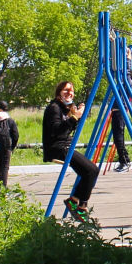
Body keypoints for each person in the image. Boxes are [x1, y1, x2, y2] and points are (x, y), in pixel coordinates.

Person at [42, 80, 99, 217]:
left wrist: (77, 117)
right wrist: (74, 117)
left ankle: (75, 201)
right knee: (92, 170)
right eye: (66, 90)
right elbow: (57, 131)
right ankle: (80, 206)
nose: (69, 93)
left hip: (64, 146)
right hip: (57, 147)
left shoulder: (63, 108)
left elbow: (68, 128)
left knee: (88, 172)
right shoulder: (54, 108)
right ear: (59, 93)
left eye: (71, 91)